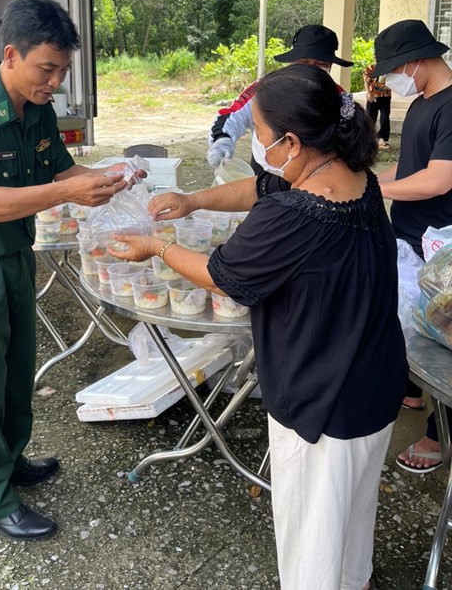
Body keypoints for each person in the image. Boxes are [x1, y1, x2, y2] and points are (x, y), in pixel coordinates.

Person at [111, 64, 406, 590]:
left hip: (323, 402)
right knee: (351, 523)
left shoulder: (297, 215)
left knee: (312, 541)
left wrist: (157, 245)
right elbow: (261, 186)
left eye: (263, 137)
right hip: (374, 386)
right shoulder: (352, 178)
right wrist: (194, 200)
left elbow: (222, 276)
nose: (260, 147)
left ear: (292, 141)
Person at [0, 0, 130, 541]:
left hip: (14, 256)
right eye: (47, 68)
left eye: (62, 70)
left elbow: (61, 169)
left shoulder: (38, 110)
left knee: (16, 372)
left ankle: (11, 461)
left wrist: (106, 176)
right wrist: (65, 191)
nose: (55, 81)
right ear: (11, 54)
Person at [369, 19, 452, 473]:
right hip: (411, 235)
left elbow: (439, 179)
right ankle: (411, 389)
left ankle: (438, 439)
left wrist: (373, 192)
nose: (391, 80)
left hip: (443, 244)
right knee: (408, 321)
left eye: (395, 69)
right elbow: (409, 166)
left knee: (442, 338)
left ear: (417, 60)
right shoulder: (423, 101)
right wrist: (364, 182)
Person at [207, 24, 353, 169]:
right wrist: (222, 139)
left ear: (330, 65)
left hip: (317, 176)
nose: (310, 69)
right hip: (267, 172)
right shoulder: (266, 88)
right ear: (292, 61)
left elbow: (352, 135)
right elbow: (232, 115)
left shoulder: (339, 97)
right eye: (303, 62)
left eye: (320, 64)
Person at [364, 66, 392, 150]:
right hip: (373, 95)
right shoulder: (370, 68)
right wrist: (368, 93)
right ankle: (369, 139)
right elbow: (366, 82)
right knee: (370, 118)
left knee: (385, 117)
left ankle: (382, 138)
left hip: (386, 95)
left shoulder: (389, 67)